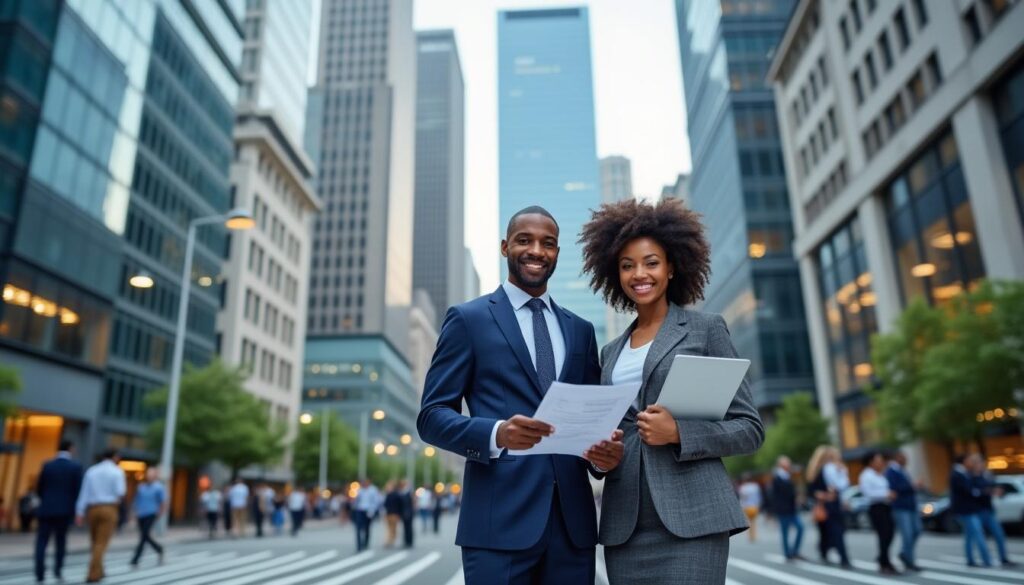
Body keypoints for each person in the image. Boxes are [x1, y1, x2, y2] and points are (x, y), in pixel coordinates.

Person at [417, 206, 625, 585]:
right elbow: (431, 416)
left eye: (548, 244)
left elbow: (592, 420)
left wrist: (603, 458)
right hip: (498, 525)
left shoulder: (580, 330)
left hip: (572, 528)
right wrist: (497, 434)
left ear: (557, 253)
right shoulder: (468, 320)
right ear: (504, 247)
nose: (536, 251)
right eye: (524, 240)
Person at [577, 198, 764, 584]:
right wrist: (600, 459)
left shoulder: (705, 329)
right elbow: (610, 433)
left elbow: (749, 428)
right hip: (625, 526)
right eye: (627, 266)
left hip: (693, 520)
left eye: (651, 262)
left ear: (672, 266)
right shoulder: (610, 352)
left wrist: (679, 433)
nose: (638, 274)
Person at [34, 440, 84, 583]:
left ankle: (39, 573)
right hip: (64, 510)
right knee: (60, 541)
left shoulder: (48, 465)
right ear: (71, 448)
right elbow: (77, 491)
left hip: (46, 509)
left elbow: (40, 487)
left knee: (41, 541)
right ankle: (58, 570)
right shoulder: (75, 467)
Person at [75, 449, 126, 583]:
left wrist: (79, 511)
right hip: (109, 508)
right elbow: (120, 492)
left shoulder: (92, 471)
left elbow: (84, 492)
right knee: (101, 543)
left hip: (93, 508)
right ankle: (93, 574)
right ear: (114, 457)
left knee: (94, 541)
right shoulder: (117, 471)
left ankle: (100, 570)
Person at [806, 446, 850, 568]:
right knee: (831, 533)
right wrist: (824, 496)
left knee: (833, 532)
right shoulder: (820, 471)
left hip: (833, 505)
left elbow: (840, 486)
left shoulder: (832, 469)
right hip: (825, 506)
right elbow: (812, 491)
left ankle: (833, 555)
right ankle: (840, 557)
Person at [970, 454, 1017, 567]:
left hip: (988, 510)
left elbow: (995, 487)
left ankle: (1003, 558)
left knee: (999, 534)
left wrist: (998, 491)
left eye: (981, 463)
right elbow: (973, 493)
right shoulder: (971, 477)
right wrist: (987, 491)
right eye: (978, 463)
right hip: (977, 511)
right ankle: (984, 559)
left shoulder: (986, 476)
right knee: (977, 537)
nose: (980, 466)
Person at [859, 451, 898, 575]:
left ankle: (883, 558)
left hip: (886, 506)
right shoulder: (866, 475)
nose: (881, 462)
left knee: (890, 533)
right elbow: (868, 493)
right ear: (871, 462)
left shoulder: (880, 474)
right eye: (878, 460)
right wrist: (886, 494)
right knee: (883, 535)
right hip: (876, 507)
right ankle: (884, 563)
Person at [951, 454, 990, 567]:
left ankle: (970, 560)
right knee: (978, 534)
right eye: (968, 460)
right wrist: (977, 492)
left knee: (969, 536)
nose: (971, 462)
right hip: (966, 510)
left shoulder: (965, 473)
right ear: (963, 461)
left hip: (969, 509)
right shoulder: (957, 474)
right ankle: (986, 560)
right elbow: (967, 491)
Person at [885, 450, 921, 571]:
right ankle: (909, 561)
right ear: (897, 457)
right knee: (908, 534)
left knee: (916, 530)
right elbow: (893, 489)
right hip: (901, 507)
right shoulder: (891, 471)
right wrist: (911, 486)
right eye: (904, 457)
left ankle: (905, 553)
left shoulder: (902, 470)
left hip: (911, 506)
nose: (906, 460)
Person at [770, 456, 804, 561]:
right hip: (783, 510)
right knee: (785, 532)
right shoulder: (777, 478)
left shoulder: (788, 476)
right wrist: (773, 513)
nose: (788, 465)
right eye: (786, 463)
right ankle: (788, 554)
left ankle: (794, 551)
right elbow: (774, 496)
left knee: (800, 528)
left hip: (792, 509)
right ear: (781, 465)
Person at [130, 467, 165, 567]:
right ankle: (159, 548)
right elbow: (136, 501)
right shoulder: (141, 487)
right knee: (145, 536)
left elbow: (162, 502)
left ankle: (136, 558)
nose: (149, 476)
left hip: (152, 513)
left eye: (151, 474)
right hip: (141, 514)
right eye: (148, 474)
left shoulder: (158, 487)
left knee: (144, 535)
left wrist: (160, 513)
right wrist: (134, 512)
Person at [352, 479, 381, 551]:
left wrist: (372, 510)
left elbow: (376, 501)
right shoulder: (360, 490)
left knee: (367, 528)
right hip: (360, 510)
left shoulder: (373, 490)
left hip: (368, 510)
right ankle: (359, 545)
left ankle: (366, 543)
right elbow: (356, 500)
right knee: (358, 528)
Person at [737, 475, 762, 542]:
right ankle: (754, 535)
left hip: (747, 506)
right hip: (754, 506)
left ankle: (749, 536)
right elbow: (758, 497)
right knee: (753, 522)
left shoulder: (743, 488)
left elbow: (742, 498)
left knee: (748, 522)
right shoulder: (755, 486)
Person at [383, 481, 401, 547]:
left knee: (393, 528)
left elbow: (399, 505)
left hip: (394, 513)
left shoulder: (396, 495)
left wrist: (399, 513)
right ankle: (389, 540)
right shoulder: (388, 495)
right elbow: (385, 504)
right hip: (388, 513)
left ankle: (391, 540)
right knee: (389, 528)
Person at [398, 480, 415, 548]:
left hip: (409, 512)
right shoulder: (402, 492)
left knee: (409, 527)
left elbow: (411, 504)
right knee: (405, 527)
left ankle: (409, 541)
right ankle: (406, 541)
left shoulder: (409, 493)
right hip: (403, 512)